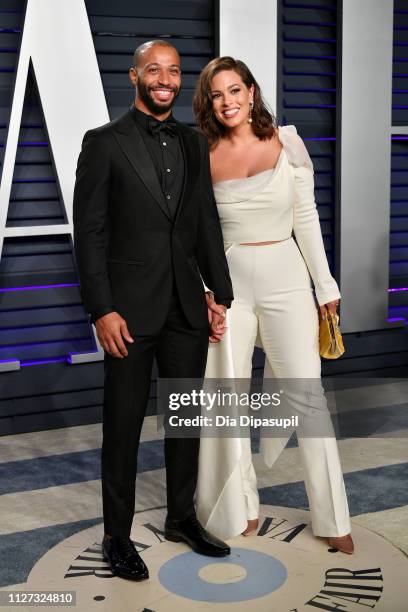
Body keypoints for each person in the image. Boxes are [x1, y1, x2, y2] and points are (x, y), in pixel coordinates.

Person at [73, 40, 234, 581]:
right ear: (135, 76)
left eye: (173, 71)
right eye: (154, 70)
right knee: (122, 427)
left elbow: (205, 221)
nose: (164, 79)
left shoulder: (193, 141)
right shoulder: (103, 143)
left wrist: (220, 293)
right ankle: (116, 536)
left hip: (187, 307)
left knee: (184, 420)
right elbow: (90, 235)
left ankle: (181, 517)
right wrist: (102, 310)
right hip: (128, 314)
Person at [193, 57, 354, 555]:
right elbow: (195, 233)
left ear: (252, 90)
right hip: (228, 286)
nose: (228, 102)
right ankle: (239, 506)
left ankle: (333, 519)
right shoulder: (201, 152)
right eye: (217, 94)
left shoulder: (288, 143)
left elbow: (306, 219)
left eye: (235, 89)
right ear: (208, 102)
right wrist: (204, 291)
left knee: (308, 400)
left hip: (288, 280)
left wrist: (326, 289)